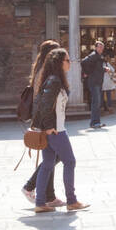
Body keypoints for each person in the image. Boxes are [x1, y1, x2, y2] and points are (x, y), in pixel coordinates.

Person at [31, 47, 89, 214]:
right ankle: (71, 201)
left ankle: (40, 203)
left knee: (48, 164)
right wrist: (49, 127)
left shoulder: (54, 79)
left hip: (54, 128)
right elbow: (43, 105)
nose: (69, 63)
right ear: (59, 62)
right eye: (67, 60)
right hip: (56, 130)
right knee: (70, 161)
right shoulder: (54, 80)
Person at [22, 40, 64, 207]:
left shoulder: (41, 70)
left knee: (51, 156)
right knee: (56, 155)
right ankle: (30, 186)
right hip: (47, 121)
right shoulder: (44, 73)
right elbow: (44, 102)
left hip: (46, 120)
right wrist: (48, 125)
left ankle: (49, 195)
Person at [81, 39, 106, 129]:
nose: (101, 48)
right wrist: (87, 72)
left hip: (98, 81)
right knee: (96, 102)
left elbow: (97, 68)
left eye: (102, 47)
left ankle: (96, 122)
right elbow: (83, 62)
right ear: (95, 47)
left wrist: (104, 70)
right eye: (99, 47)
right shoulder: (94, 55)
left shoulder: (99, 56)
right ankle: (94, 122)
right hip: (94, 81)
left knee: (97, 102)